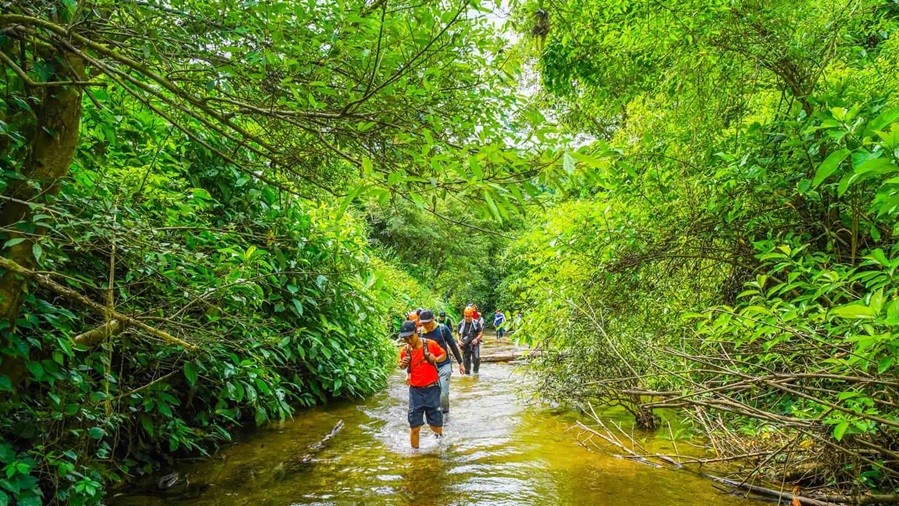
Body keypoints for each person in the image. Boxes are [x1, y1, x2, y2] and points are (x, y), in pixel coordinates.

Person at [397, 320, 446, 448]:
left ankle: (439, 439)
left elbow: (444, 355)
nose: (408, 341)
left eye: (410, 337)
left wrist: (435, 359)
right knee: (414, 426)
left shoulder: (430, 344)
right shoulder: (405, 351)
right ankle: (415, 456)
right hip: (415, 391)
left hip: (432, 389)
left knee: (435, 425)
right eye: (405, 339)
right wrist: (403, 365)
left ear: (416, 332)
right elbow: (401, 365)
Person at [419, 310, 465, 415]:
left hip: (444, 365)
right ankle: (435, 417)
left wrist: (460, 363)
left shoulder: (442, 329)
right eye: (423, 323)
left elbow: (453, 345)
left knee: (443, 394)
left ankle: (445, 413)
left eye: (428, 322)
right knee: (431, 395)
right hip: (429, 368)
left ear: (433, 319)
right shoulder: (420, 333)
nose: (426, 325)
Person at [457, 307, 483, 375]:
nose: (467, 318)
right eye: (466, 316)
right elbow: (458, 334)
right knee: (466, 360)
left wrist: (477, 339)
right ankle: (467, 374)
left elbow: (480, 333)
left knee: (476, 358)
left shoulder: (476, 323)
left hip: (475, 343)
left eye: (469, 316)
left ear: (472, 315)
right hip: (466, 345)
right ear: (464, 315)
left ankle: (475, 373)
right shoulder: (461, 323)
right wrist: (459, 341)